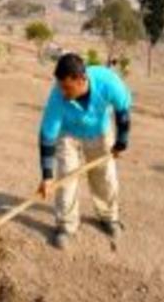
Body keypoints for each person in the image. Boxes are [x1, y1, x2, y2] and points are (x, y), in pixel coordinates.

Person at [37, 53, 132, 249]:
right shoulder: (58, 95)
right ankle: (66, 225)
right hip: (68, 134)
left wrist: (121, 142)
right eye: (60, 86)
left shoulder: (107, 81)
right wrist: (47, 176)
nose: (63, 92)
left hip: (99, 131)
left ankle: (109, 217)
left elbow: (122, 110)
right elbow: (47, 136)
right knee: (66, 177)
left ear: (81, 80)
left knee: (105, 176)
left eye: (67, 87)